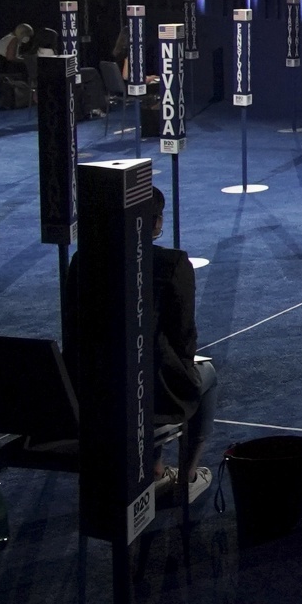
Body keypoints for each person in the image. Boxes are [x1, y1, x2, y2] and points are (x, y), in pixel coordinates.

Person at [66, 186, 217, 505]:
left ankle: (156, 469)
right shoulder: (172, 264)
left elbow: (73, 328)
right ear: (155, 223)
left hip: (89, 392)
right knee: (205, 375)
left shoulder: (81, 261)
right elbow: (184, 336)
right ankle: (185, 476)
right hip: (148, 393)